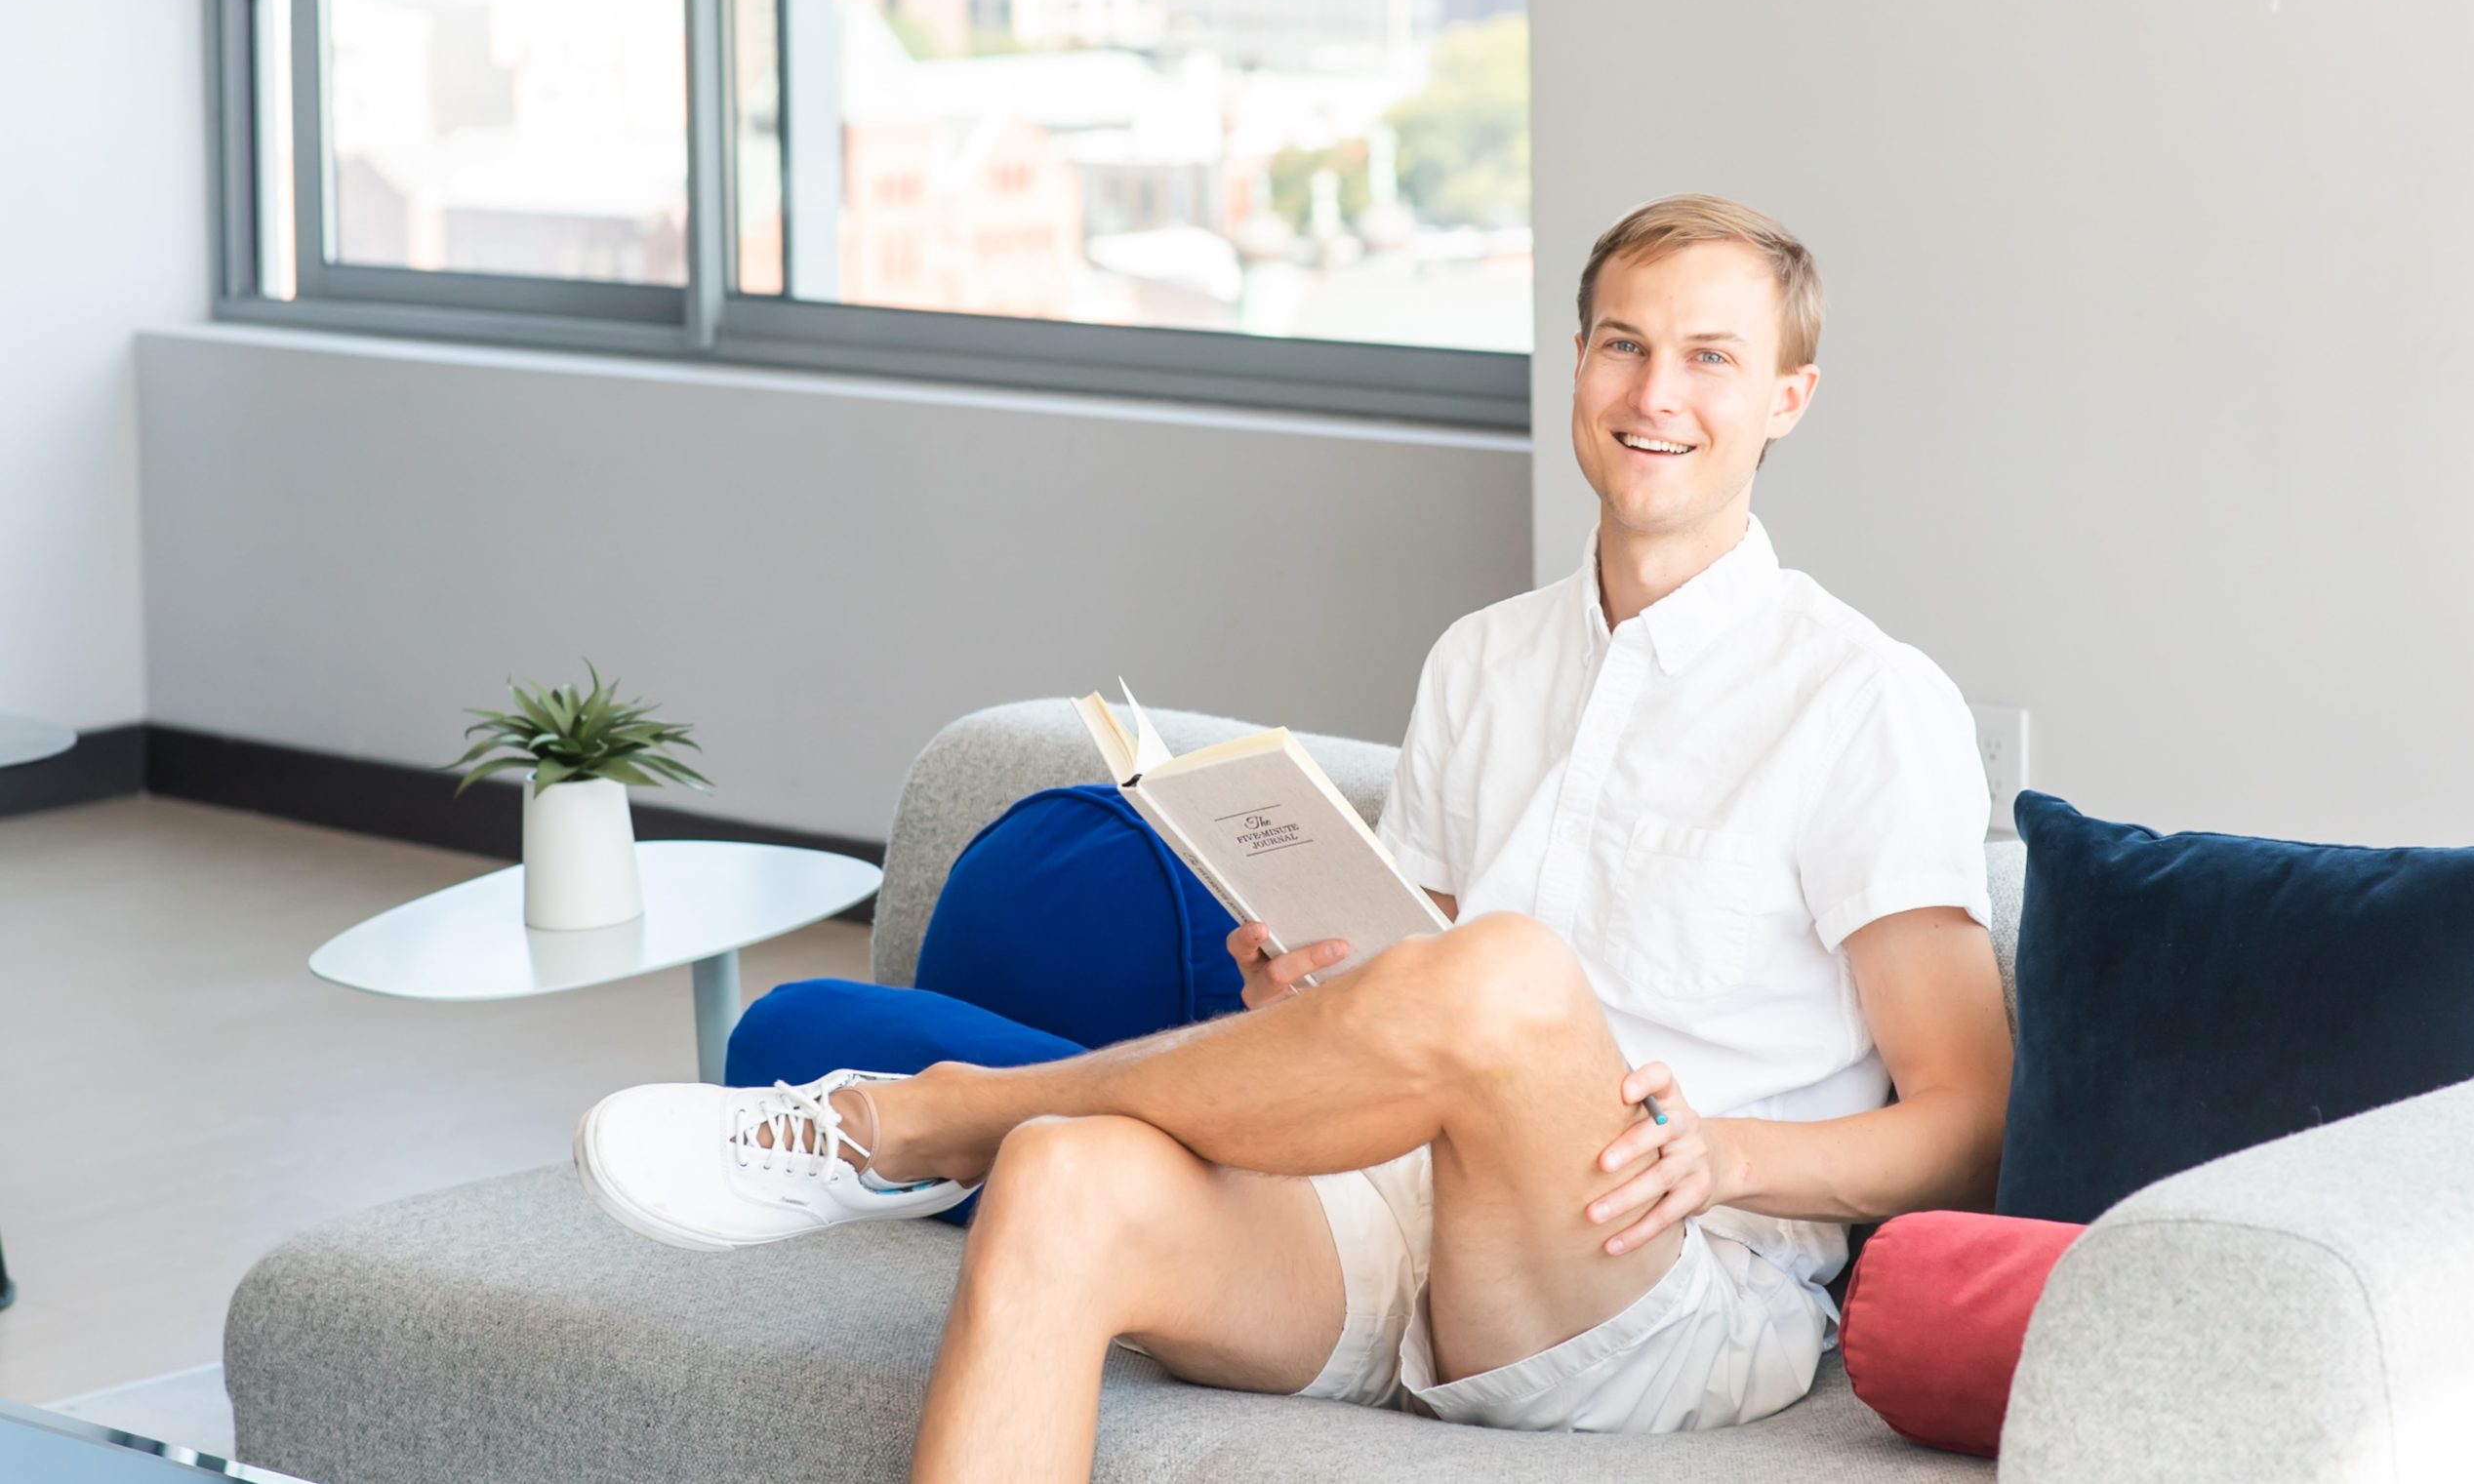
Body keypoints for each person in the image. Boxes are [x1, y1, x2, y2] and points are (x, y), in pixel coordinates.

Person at [572, 193, 2012, 1480]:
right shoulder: (1484, 661)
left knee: (1506, 971)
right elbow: (1421, 981)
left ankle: (923, 1113)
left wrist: (1729, 1156)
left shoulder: (1865, 698)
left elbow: (1972, 1121)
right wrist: (1318, 998)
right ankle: (972, 1127)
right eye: (1621, 344)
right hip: (1394, 1219)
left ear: (1789, 397)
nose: (1655, 391)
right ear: (1575, 366)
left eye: (1710, 357)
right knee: (1068, 1178)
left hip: (1664, 1278)